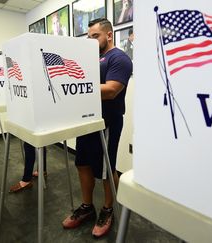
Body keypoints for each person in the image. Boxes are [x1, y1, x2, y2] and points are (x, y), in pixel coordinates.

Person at [62, 18, 133, 238]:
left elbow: (112, 90)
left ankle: (108, 209)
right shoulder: (90, 59)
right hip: (87, 120)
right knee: (82, 163)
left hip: (108, 121)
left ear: (108, 35)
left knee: (106, 169)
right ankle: (87, 206)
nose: (91, 41)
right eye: (89, 37)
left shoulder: (119, 58)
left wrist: (75, 85)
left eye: (95, 36)